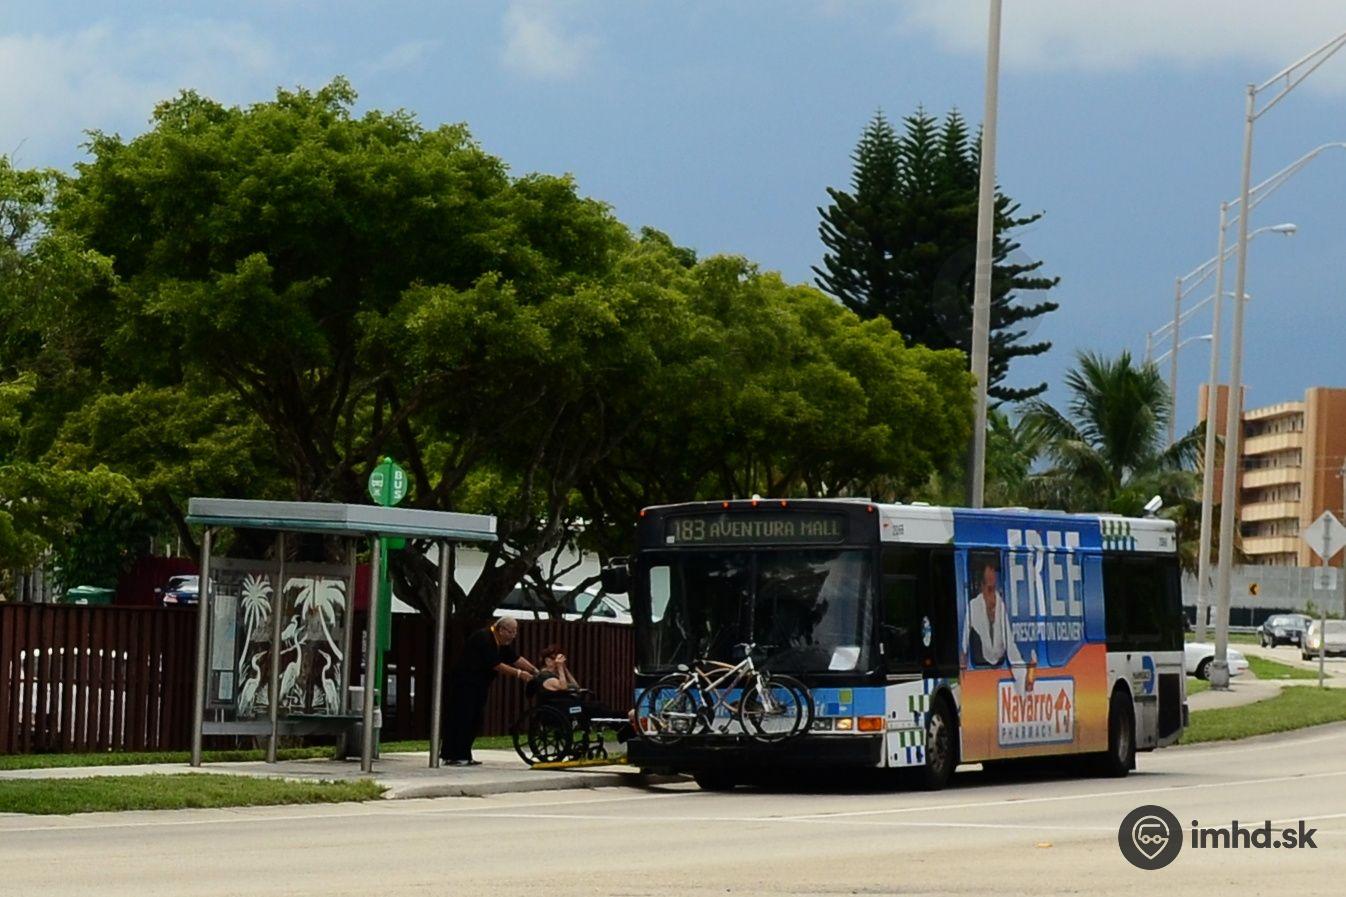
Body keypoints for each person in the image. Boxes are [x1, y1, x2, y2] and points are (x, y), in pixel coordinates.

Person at [443, 617, 538, 766]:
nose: (514, 635)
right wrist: (519, 674)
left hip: (480, 685)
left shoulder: (501, 643)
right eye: (511, 631)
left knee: (475, 719)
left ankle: (464, 754)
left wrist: (534, 670)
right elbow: (496, 664)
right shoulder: (484, 638)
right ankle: (454, 755)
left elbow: (515, 658)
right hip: (465, 684)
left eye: (515, 632)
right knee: (463, 718)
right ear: (501, 629)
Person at [962, 558, 1035, 690]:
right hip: (984, 660)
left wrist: (1023, 675)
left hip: (1001, 657)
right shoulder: (974, 606)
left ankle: (1023, 677)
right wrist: (962, 660)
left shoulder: (1001, 604)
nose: (993, 597)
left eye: (994, 588)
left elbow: (1010, 644)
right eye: (990, 590)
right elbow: (964, 642)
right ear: (982, 586)